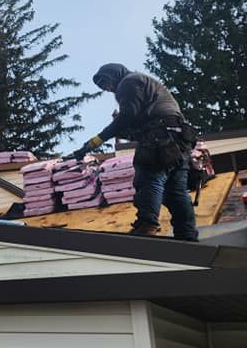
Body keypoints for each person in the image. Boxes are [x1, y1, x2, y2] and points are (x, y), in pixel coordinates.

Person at [71, 63, 199, 241]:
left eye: (107, 82)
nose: (108, 88)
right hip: (179, 138)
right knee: (176, 191)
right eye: (103, 87)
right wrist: (120, 129)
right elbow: (135, 124)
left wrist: (97, 140)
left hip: (159, 137)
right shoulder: (144, 85)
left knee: (149, 178)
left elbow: (128, 116)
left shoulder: (129, 82)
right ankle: (187, 234)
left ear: (115, 74)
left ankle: (147, 224)